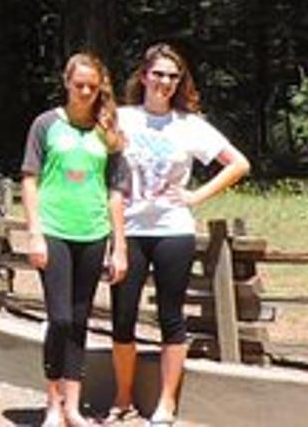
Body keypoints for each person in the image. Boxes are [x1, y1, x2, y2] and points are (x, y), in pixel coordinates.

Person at [103, 43, 250, 427]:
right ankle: (123, 397)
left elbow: (238, 163)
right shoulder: (121, 119)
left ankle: (165, 404)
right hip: (129, 230)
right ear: (144, 75)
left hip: (172, 229)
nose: (165, 82)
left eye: (173, 76)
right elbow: (98, 167)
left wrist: (195, 196)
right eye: (159, 74)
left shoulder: (189, 125)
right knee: (122, 316)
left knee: (171, 316)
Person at [21, 53, 128, 427]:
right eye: (78, 84)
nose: (84, 92)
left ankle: (72, 406)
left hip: (93, 233)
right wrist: (34, 232)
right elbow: (30, 178)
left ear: (100, 87)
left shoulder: (108, 132)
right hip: (54, 231)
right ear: (66, 82)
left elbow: (116, 191)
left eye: (91, 86)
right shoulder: (46, 124)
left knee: (81, 320)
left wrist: (120, 246)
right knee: (60, 318)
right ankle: (52, 402)